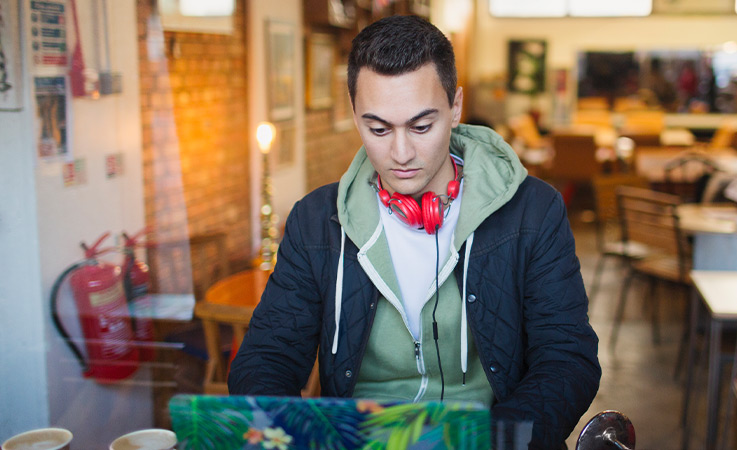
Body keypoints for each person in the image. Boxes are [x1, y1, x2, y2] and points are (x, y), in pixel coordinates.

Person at [228, 15, 600, 449]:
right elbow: (266, 356)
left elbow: (568, 359)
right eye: (378, 128)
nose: (400, 153)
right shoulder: (316, 222)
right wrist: (287, 431)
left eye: (422, 126)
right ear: (354, 114)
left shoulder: (534, 211)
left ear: (455, 106)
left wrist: (494, 440)